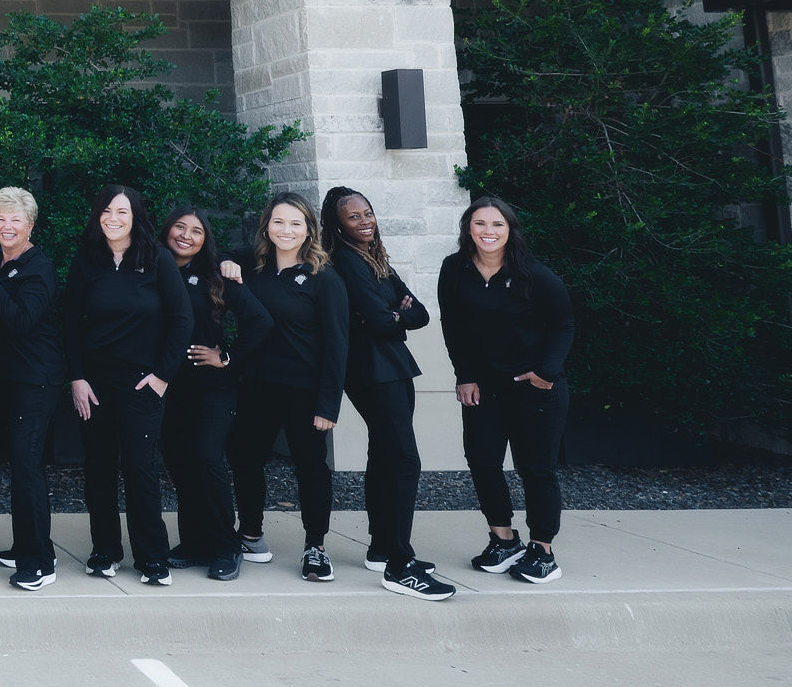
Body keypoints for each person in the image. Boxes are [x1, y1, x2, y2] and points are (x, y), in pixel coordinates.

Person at [438, 195, 577, 585]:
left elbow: (564, 326)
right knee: (482, 461)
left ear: (510, 230)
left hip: (534, 389)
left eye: (497, 224)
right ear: (468, 228)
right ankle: (503, 539)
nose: (488, 231)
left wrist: (547, 373)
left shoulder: (535, 274)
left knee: (536, 469)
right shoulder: (454, 270)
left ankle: (542, 549)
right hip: (484, 388)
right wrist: (464, 375)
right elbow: (453, 326)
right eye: (480, 223)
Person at [323, 185, 453, 602]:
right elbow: (384, 321)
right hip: (372, 370)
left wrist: (394, 314)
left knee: (385, 455)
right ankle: (400, 563)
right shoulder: (346, 260)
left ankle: (382, 548)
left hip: (391, 367)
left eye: (368, 213)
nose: (365, 221)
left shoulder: (373, 258)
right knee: (403, 460)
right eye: (353, 217)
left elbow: (421, 314)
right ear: (337, 225)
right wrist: (395, 313)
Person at [62, 184, 191, 584]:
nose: (113, 219)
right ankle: (105, 551)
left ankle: (153, 558)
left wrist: (162, 378)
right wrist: (77, 377)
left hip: (142, 386)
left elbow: (181, 321)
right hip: (95, 386)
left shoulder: (159, 260)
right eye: (106, 211)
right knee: (99, 471)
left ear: (135, 217)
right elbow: (68, 324)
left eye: (122, 212)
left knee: (140, 470)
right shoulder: (87, 261)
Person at [227, 193, 349, 581]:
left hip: (305, 391)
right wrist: (225, 261)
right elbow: (216, 255)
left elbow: (337, 344)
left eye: (296, 223)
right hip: (257, 386)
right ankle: (250, 535)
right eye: (278, 222)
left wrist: (328, 405)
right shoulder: (255, 268)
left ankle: (316, 547)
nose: (286, 230)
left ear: (309, 229)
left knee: (311, 468)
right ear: (266, 226)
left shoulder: (323, 277)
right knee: (246, 460)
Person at [0, 187, 62, 591]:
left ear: (30, 225)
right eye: (0, 219)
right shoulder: (1, 264)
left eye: (15, 220)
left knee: (26, 469)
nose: (6, 226)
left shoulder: (38, 267)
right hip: (9, 382)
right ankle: (29, 543)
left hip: (36, 382)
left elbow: (21, 320)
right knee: (22, 466)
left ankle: (38, 561)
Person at [161, 206, 262, 582]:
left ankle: (225, 545)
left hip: (212, 387)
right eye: (179, 227)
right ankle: (194, 542)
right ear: (166, 230)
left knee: (206, 458)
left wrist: (227, 357)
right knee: (180, 463)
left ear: (206, 240)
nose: (186, 236)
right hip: (168, 387)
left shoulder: (216, 274)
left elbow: (260, 321)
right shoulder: (154, 269)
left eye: (196, 231)